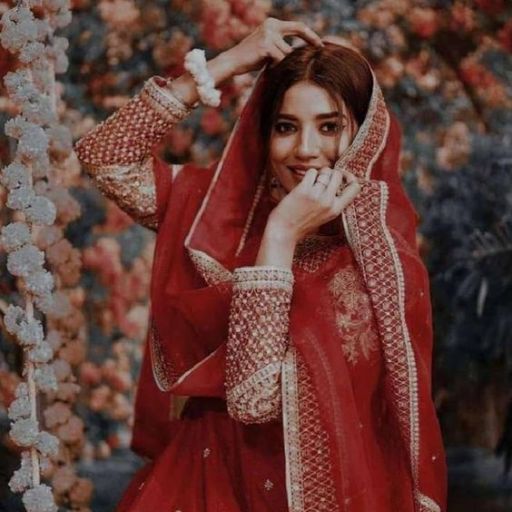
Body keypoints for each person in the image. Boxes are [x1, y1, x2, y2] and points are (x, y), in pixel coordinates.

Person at [74, 17, 447, 512]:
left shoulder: (380, 265)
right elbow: (105, 156)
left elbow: (255, 399)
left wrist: (281, 237)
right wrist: (226, 64)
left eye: (329, 126)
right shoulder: (220, 217)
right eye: (286, 127)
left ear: (364, 135)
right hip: (200, 487)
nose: (306, 150)